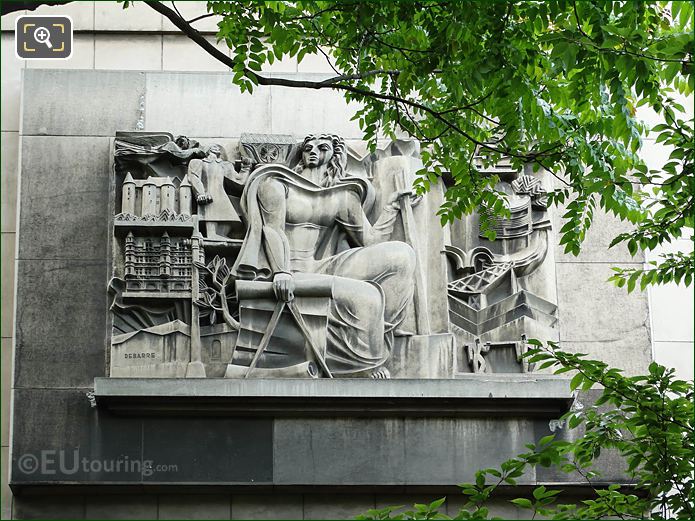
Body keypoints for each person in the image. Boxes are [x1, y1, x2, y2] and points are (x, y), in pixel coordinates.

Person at [233, 134, 419, 377]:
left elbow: (370, 242)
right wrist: (281, 271)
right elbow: (272, 230)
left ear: (335, 154)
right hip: (292, 270)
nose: (313, 152)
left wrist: (391, 208)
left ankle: (378, 332)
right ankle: (362, 367)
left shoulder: (342, 197)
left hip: (322, 267)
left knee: (402, 255)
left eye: (322, 148)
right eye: (308, 147)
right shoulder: (278, 185)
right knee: (366, 296)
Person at [186, 144, 243, 240]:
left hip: (221, 195)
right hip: (208, 194)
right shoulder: (199, 162)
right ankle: (212, 235)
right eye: (212, 146)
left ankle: (220, 235)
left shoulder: (225, 165)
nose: (216, 148)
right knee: (211, 212)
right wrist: (201, 193)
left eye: (218, 147)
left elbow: (239, 180)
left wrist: (246, 167)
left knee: (228, 215)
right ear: (207, 150)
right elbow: (194, 177)